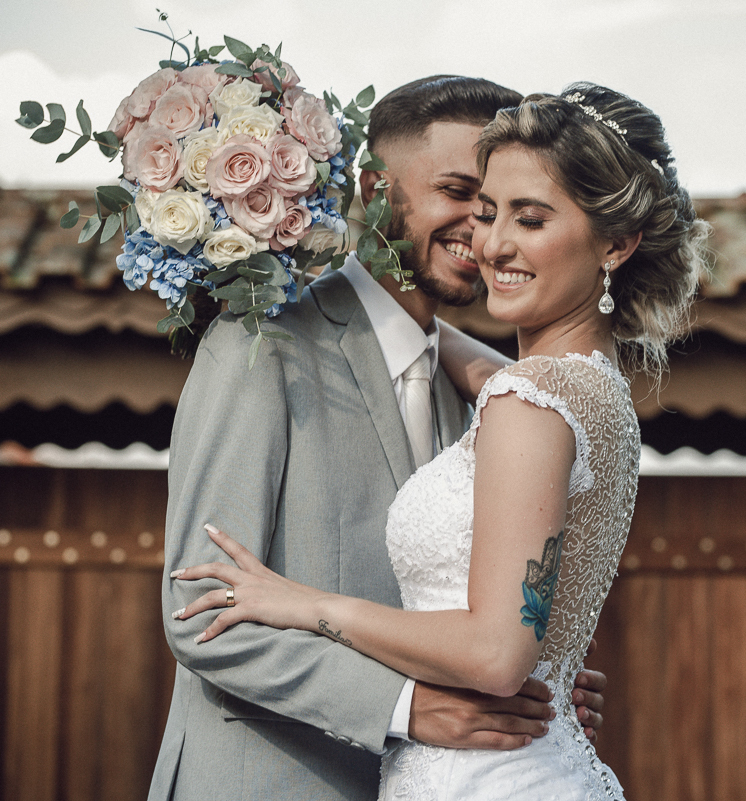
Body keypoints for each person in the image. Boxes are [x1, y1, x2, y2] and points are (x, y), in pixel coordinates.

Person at [173, 83, 709, 799]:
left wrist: (541, 669)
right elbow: (201, 606)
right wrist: (408, 705)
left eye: (519, 213)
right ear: (375, 189)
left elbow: (495, 638)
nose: (485, 236)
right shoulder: (263, 347)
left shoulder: (517, 398)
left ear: (615, 242)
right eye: (470, 199)